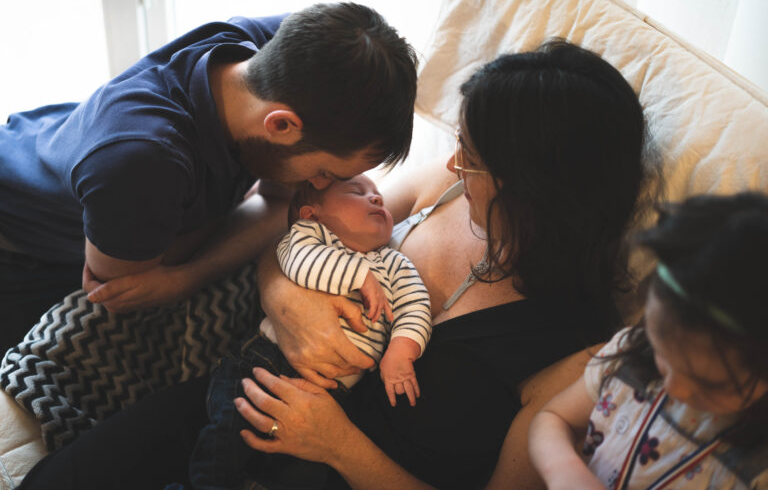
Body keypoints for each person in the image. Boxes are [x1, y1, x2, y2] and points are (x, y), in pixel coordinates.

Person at [17, 40, 655, 490]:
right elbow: (302, 218)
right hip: (241, 392)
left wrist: (339, 446)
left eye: (473, 157)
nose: (454, 164)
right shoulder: (448, 188)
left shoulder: (576, 353)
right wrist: (285, 302)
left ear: (532, 189)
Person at [0, 2, 418, 353]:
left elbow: (277, 204)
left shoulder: (274, 53)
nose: (325, 188)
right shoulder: (140, 163)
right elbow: (129, 284)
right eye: (325, 172)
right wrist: (186, 275)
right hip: (20, 242)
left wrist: (189, 271)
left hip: (56, 144)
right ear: (281, 126)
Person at [190, 175, 431, 489]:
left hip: (334, 396)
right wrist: (358, 276)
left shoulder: (395, 263)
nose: (376, 199)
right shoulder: (309, 237)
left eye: (378, 195)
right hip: (265, 366)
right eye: (358, 192)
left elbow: (415, 304)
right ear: (311, 213)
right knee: (225, 449)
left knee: (301, 477)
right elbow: (299, 262)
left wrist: (402, 350)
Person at [527, 193, 768, 490]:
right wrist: (563, 470)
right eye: (663, 357)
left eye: (708, 384)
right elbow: (552, 418)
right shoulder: (629, 356)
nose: (673, 387)